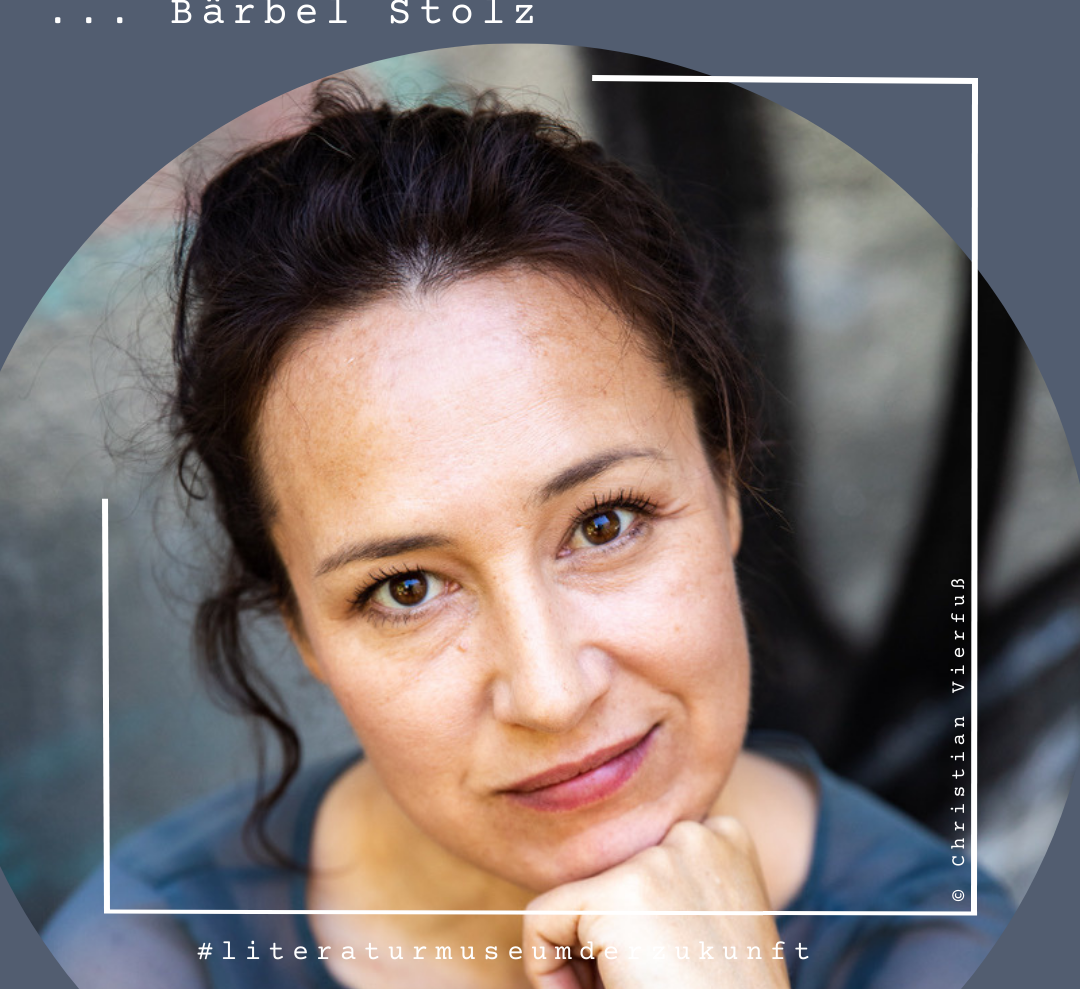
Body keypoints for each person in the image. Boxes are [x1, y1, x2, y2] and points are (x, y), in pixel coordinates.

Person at [44, 79, 1012, 989]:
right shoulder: (147, 954)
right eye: (407, 588)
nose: (551, 696)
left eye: (604, 523)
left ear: (724, 485)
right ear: (300, 626)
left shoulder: (944, 950)